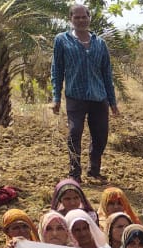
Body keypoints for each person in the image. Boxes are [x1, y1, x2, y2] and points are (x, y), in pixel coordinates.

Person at [51, 3, 117, 181]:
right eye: (77, 17)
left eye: (84, 17)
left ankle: (94, 169)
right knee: (74, 133)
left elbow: (106, 73)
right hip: (75, 96)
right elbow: (57, 70)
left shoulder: (100, 44)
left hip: (99, 97)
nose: (81, 20)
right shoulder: (62, 40)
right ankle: (74, 173)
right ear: (70, 19)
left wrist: (113, 102)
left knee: (100, 136)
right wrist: (56, 97)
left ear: (89, 18)